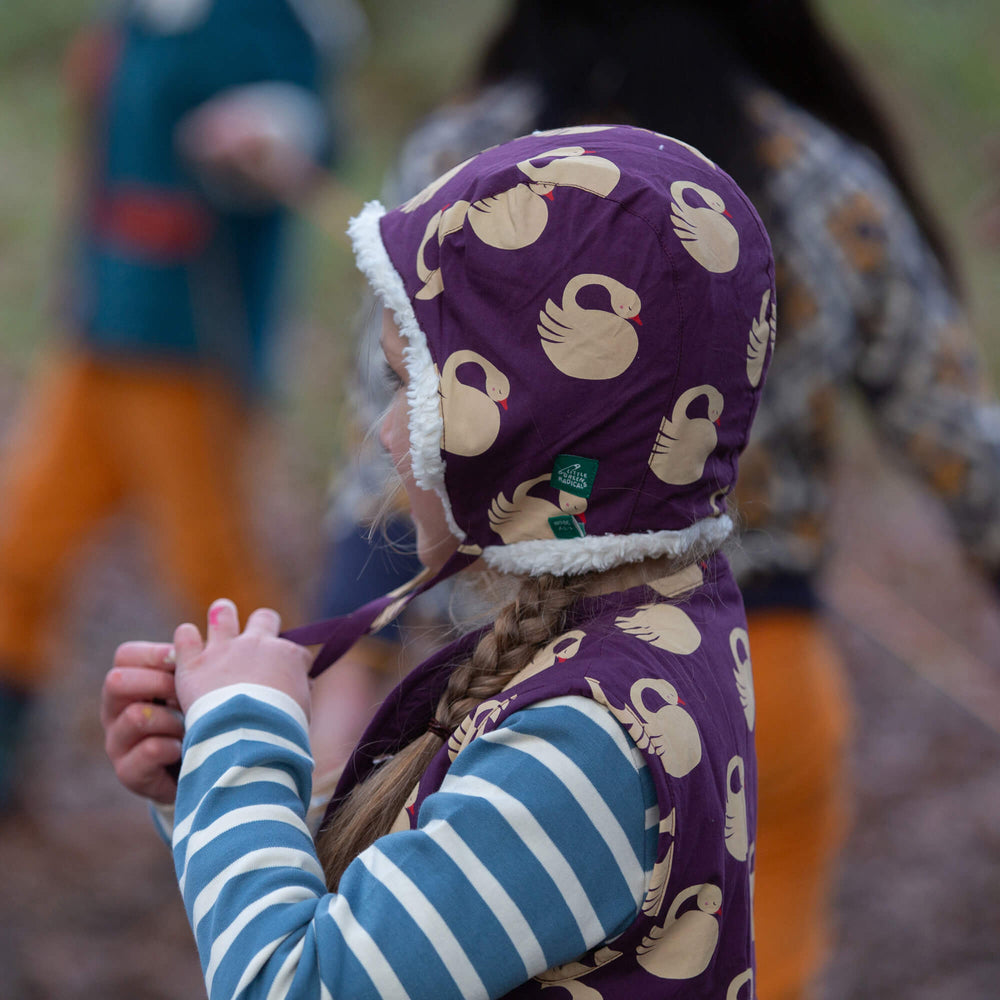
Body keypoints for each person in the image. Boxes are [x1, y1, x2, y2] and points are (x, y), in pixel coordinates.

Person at [315, 4, 1000, 997]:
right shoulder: (818, 174)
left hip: (501, 688)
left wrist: (350, 674)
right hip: (755, 679)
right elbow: (955, 439)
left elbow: (377, 438)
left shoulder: (470, 158)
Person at [102, 126, 775, 998]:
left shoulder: (587, 738)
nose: (387, 436)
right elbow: (416, 923)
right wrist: (209, 780)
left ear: (533, 417)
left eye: (413, 384)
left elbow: (295, 985)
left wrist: (242, 730)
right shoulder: (664, 618)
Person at [0, 0, 365, 807]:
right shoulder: (132, 18)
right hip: (96, 333)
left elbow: (307, 130)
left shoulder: (265, 21)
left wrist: (265, 133)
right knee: (21, 542)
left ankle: (289, 769)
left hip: (188, 347)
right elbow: (99, 158)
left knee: (213, 569)